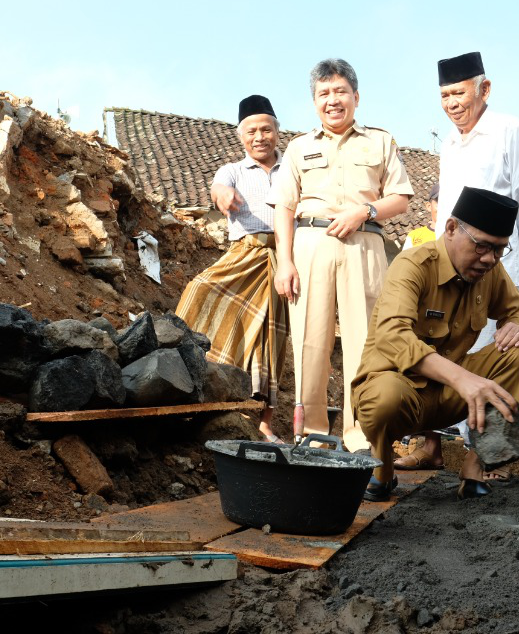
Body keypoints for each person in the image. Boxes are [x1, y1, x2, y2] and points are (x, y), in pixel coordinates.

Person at [395, 50, 519, 475]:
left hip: (494, 269)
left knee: (494, 356)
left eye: (458, 93)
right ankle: (432, 448)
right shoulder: (449, 144)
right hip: (448, 269)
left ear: (484, 89)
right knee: (440, 346)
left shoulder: (509, 131)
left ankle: (487, 458)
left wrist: (507, 255)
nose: (452, 103)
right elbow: (446, 218)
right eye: (444, 96)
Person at [352, 186, 519, 501]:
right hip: (401, 394)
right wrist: (463, 379)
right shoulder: (413, 265)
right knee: (385, 396)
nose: (489, 259)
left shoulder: (489, 270)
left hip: (449, 399)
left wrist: (518, 326)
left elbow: (518, 310)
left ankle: (476, 467)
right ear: (451, 228)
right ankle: (382, 467)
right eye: (481, 246)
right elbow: (393, 335)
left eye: (499, 249)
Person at [270, 58, 413, 451]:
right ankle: (312, 435)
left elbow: (400, 198)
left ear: (356, 96)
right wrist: (285, 261)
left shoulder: (380, 142)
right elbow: (283, 206)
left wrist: (363, 211)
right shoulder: (299, 148)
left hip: (365, 243)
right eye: (324, 93)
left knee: (364, 342)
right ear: (314, 101)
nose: (332, 100)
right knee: (310, 341)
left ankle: (360, 439)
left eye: (340, 92)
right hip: (310, 245)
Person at [176, 94, 288, 443]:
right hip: (244, 255)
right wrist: (221, 195)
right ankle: (189, 371)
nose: (260, 137)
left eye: (266, 129)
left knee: (272, 340)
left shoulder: (293, 167)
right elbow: (218, 188)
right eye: (252, 131)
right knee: (200, 289)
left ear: (276, 131)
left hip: (284, 259)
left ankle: (264, 423)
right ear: (241, 136)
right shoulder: (233, 170)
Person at [401, 183, 439, 250]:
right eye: (439, 202)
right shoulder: (414, 236)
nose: (444, 206)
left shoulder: (458, 237)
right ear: (429, 206)